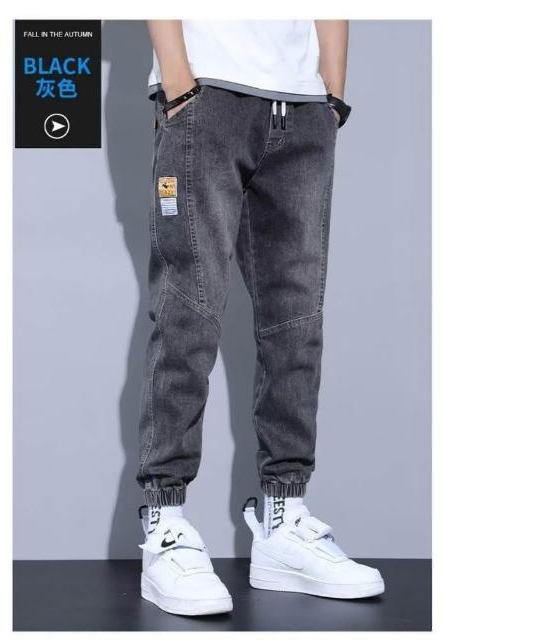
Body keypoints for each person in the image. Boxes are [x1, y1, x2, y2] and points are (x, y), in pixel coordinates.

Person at [135, 19, 384, 616]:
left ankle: (283, 521)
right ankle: (164, 524)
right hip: (206, 93)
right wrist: (179, 82)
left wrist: (330, 95)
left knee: (297, 324)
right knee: (188, 315)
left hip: (302, 106)